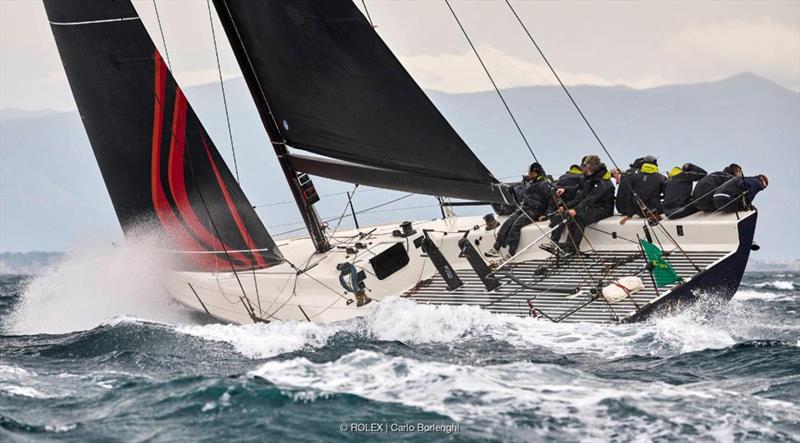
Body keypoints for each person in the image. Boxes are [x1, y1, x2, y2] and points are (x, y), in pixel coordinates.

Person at [545, 155, 615, 254]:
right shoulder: (590, 177)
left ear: (591, 167)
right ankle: (566, 244)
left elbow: (590, 199)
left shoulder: (602, 182)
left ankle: (573, 247)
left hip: (603, 208)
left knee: (580, 217)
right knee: (571, 216)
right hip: (592, 206)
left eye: (585, 166)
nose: (583, 168)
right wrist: (565, 190)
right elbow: (579, 189)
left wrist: (576, 210)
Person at [486, 163, 552, 258]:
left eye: (530, 172)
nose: (528, 174)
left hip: (535, 210)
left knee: (516, 225)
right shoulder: (531, 183)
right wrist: (513, 192)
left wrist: (546, 214)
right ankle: (496, 247)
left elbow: (552, 199)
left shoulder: (544, 184)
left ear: (535, 173)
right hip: (524, 208)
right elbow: (524, 197)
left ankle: (511, 252)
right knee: (508, 222)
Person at [618, 156, 666, 224]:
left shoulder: (634, 177)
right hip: (654, 211)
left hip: (638, 211)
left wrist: (629, 215)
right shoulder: (662, 178)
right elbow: (668, 195)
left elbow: (629, 196)